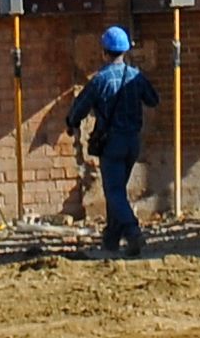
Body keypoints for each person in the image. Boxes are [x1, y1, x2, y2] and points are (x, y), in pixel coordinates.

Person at [59, 25, 153, 257]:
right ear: (125, 51)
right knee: (118, 190)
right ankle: (111, 237)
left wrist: (71, 123)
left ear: (104, 52)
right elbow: (153, 99)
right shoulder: (136, 76)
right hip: (133, 142)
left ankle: (132, 232)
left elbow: (79, 107)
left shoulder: (99, 80)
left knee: (113, 192)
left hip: (111, 144)